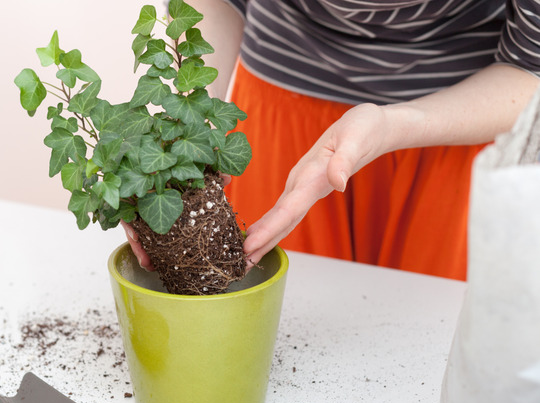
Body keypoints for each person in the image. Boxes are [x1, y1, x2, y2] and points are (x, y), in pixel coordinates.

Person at [123, 0, 540, 281]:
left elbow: (532, 64)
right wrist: (187, 130)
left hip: (458, 123)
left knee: (425, 345)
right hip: (281, 109)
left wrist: (394, 124)